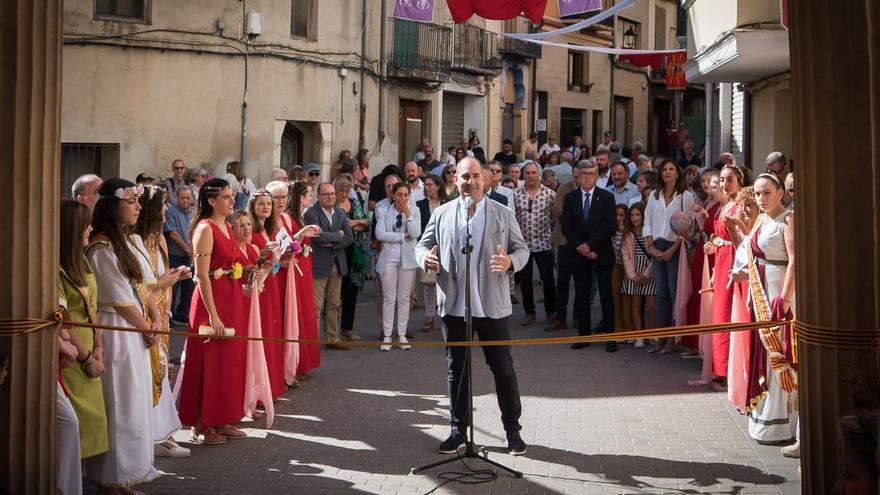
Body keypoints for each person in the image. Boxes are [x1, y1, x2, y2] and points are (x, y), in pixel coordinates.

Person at [414, 157, 529, 456]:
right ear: (457, 180)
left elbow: (523, 249)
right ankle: (457, 431)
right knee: (457, 371)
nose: (471, 182)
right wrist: (424, 258)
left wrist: (510, 263)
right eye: (465, 177)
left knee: (503, 369)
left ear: (487, 179)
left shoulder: (502, 213)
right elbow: (421, 246)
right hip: (454, 306)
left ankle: (512, 430)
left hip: (491, 307)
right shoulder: (443, 213)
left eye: (477, 176)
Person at [85, 179, 160, 490]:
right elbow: (121, 299)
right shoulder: (102, 248)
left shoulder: (127, 242)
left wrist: (155, 317)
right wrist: (148, 329)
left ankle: (131, 470)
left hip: (135, 329)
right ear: (112, 206)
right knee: (120, 403)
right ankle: (113, 478)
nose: (138, 207)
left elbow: (144, 285)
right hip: (117, 330)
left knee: (135, 401)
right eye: (131, 202)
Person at [177, 178, 249, 445]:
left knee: (228, 362)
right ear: (211, 201)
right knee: (208, 361)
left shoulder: (228, 227)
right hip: (211, 302)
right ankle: (201, 423)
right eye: (226, 197)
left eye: (232, 196)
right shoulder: (205, 229)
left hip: (230, 299)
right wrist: (214, 316)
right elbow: (201, 277)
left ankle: (222, 417)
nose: (232, 201)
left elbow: (236, 263)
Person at [731, 173, 798, 444]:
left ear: (781, 192)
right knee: (763, 354)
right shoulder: (761, 219)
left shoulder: (789, 219)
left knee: (780, 354)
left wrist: (784, 299)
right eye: (758, 193)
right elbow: (756, 256)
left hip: (779, 294)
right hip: (761, 291)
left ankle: (784, 422)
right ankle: (765, 417)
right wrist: (747, 279)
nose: (761, 198)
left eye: (767, 192)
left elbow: (794, 261)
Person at [133, 185, 191, 459]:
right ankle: (152, 434)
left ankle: (163, 432)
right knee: (150, 375)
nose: (166, 209)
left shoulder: (159, 238)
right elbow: (136, 285)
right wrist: (161, 285)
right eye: (162, 205)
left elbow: (162, 275)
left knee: (162, 375)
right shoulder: (135, 240)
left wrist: (173, 281)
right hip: (143, 315)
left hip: (161, 314)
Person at [58, 201, 109, 469]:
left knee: (95, 425)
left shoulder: (82, 260)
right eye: (85, 224)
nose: (91, 228)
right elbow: (63, 321)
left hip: (90, 348)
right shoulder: (57, 270)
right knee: (78, 427)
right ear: (71, 230)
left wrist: (99, 344)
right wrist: (87, 357)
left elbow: (93, 305)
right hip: (74, 356)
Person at [561, 161, 619, 352]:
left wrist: (591, 245)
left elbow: (610, 226)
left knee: (605, 295)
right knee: (582, 295)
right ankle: (584, 336)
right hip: (578, 254)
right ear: (577, 176)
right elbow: (566, 227)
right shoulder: (570, 198)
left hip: (601, 253)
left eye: (591, 174)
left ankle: (611, 337)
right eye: (584, 173)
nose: (587, 177)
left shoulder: (607, 197)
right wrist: (581, 247)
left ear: (596, 176)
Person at [644, 159, 695, 354]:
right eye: (664, 169)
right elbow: (647, 222)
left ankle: (674, 338)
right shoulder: (654, 196)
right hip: (657, 246)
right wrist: (652, 248)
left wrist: (673, 249)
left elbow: (688, 226)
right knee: (661, 293)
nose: (667, 172)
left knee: (675, 293)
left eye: (671, 169)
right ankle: (661, 337)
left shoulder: (685, 196)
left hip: (675, 247)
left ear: (677, 173)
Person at [706, 165, 747, 386]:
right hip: (721, 259)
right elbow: (718, 235)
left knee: (731, 311)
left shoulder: (741, 206)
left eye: (729, 179)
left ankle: (731, 368)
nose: (724, 184)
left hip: (734, 259)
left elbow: (743, 238)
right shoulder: (725, 205)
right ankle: (721, 365)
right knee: (720, 311)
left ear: (739, 180)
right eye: (722, 180)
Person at [305, 183, 355, 349]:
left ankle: (333, 339)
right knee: (316, 306)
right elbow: (317, 237)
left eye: (332, 194)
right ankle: (313, 342)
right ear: (318, 196)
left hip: (337, 262)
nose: (331, 197)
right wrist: (337, 235)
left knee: (334, 303)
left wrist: (333, 243)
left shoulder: (340, 213)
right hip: (319, 264)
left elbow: (349, 237)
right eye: (326, 194)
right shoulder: (312, 214)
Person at [247, 189, 286, 397]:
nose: (266, 207)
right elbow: (249, 260)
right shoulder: (250, 231)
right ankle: (257, 388)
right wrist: (264, 256)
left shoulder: (269, 230)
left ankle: (271, 383)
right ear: (253, 207)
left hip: (271, 281)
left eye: (269, 204)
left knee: (272, 330)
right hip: (259, 284)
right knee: (259, 331)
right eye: (261, 204)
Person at [375, 182, 421, 350]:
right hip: (389, 258)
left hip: (407, 259)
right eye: (399, 194)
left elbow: (416, 233)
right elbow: (380, 234)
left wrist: (408, 214)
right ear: (393, 195)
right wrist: (402, 237)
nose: (403, 198)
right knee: (389, 297)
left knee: (404, 297)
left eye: (406, 195)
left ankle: (401, 334)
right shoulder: (382, 210)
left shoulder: (414, 210)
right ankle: (387, 335)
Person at [284, 182, 323, 373]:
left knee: (307, 312)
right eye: (308, 194)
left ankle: (305, 361)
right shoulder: (289, 218)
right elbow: (290, 244)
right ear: (300, 197)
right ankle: (296, 363)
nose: (311, 198)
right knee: (298, 313)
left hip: (305, 268)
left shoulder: (301, 216)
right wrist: (301, 236)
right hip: (296, 269)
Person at [513, 162, 557, 327]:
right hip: (523, 244)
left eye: (533, 173)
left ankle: (550, 312)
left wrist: (550, 234)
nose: (530, 176)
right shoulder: (515, 194)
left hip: (544, 243)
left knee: (548, 279)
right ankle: (529, 312)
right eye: (527, 173)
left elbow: (554, 217)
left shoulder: (549, 194)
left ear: (539, 175)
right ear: (523, 175)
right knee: (525, 281)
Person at [336, 175, 370, 344]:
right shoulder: (333, 205)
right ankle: (333, 331)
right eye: (341, 190)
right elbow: (337, 225)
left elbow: (367, 224)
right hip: (338, 251)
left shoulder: (355, 203)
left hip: (355, 250)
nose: (344, 193)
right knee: (336, 293)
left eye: (347, 190)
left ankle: (347, 328)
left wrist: (351, 224)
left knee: (352, 290)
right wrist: (357, 222)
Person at [549, 163, 582, 331]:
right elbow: (556, 209)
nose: (577, 180)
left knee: (580, 281)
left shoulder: (588, 190)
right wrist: (575, 216)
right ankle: (560, 317)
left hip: (581, 243)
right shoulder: (564, 188)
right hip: (563, 240)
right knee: (562, 281)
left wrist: (571, 215)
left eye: (580, 177)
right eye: (575, 177)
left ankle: (578, 316)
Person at [415, 174, 448, 332]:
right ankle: (429, 317)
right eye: (425, 185)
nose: (427, 188)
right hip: (428, 249)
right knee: (429, 285)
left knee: (447, 283)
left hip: (447, 248)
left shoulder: (448, 203)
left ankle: (447, 316)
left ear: (438, 186)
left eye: (430, 184)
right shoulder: (419, 205)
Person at [621, 202, 655, 347]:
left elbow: (654, 253)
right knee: (635, 304)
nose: (635, 218)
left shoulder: (649, 232)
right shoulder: (628, 234)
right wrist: (632, 274)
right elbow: (625, 255)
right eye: (632, 215)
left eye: (638, 214)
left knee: (651, 305)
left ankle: (653, 334)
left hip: (648, 270)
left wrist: (647, 273)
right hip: (634, 270)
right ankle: (639, 335)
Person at [164, 185, 195, 325]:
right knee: (173, 286)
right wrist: (187, 248)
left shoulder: (194, 212)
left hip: (191, 256)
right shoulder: (171, 211)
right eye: (182, 198)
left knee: (189, 287)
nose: (185, 200)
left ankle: (183, 314)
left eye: (188, 198)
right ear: (177, 198)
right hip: (176, 255)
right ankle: (169, 316)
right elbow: (172, 233)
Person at [611, 204, 635, 339]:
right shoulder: (612, 230)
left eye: (621, 215)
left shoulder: (629, 232)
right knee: (616, 299)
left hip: (628, 269)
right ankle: (618, 328)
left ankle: (629, 329)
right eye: (616, 215)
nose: (618, 218)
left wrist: (621, 232)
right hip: (615, 267)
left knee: (627, 300)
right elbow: (614, 249)